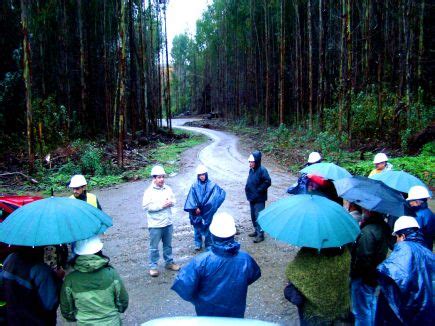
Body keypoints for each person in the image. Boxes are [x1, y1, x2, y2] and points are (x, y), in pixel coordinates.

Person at [171, 212, 261, 318]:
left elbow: (184, 286)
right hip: (236, 314)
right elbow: (252, 276)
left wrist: (197, 299)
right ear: (233, 233)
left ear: (212, 233)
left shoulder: (200, 261)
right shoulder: (246, 259)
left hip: (207, 315)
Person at [375, 216, 434, 325]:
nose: (396, 242)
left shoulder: (402, 252)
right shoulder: (428, 253)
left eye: (396, 237)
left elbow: (390, 279)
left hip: (405, 317)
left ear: (402, 236)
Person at [60, 236, 129, 325]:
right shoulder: (111, 273)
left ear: (77, 253)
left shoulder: (70, 279)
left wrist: (79, 317)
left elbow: (67, 310)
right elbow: (122, 301)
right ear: (99, 251)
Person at [284, 247, 352, 325]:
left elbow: (293, 276)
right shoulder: (344, 256)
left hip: (312, 316)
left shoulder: (305, 260)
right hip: (338, 310)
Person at [350, 209, 392, 326]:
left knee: (361, 310)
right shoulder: (382, 226)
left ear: (369, 211)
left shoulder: (368, 232)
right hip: (373, 275)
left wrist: (355, 273)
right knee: (370, 304)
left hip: (363, 277)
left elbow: (363, 258)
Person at [0, 246, 62, 325]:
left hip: (12, 318)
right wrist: (56, 279)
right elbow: (50, 304)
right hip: (36, 321)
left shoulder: (10, 259)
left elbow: (3, 287)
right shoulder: (41, 271)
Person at [142, 165, 180, 277]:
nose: (161, 179)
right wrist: (161, 205)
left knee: (168, 245)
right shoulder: (148, 192)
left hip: (168, 222)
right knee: (154, 247)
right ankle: (153, 267)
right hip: (155, 225)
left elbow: (174, 199)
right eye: (159, 177)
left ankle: (169, 262)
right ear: (154, 178)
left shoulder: (168, 189)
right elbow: (146, 206)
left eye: (163, 177)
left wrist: (171, 202)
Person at [184, 164, 226, 251]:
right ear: (198, 176)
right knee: (196, 226)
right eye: (200, 175)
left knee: (208, 226)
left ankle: (208, 244)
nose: (202, 177)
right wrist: (195, 207)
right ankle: (198, 243)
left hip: (207, 210)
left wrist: (212, 205)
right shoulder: (194, 186)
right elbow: (192, 198)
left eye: (203, 174)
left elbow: (221, 193)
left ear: (206, 174)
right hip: (197, 211)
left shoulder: (212, 185)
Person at [245, 150, 271, 243]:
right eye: (249, 162)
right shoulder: (251, 170)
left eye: (252, 162)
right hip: (252, 197)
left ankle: (261, 235)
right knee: (253, 216)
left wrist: (259, 190)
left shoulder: (262, 170)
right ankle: (256, 231)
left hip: (259, 198)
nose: (250, 163)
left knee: (259, 216)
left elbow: (267, 182)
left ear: (256, 161)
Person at [406, 185, 434, 250]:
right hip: (427, 246)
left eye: (411, 200)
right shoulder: (429, 212)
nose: (410, 203)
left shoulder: (418, 215)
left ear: (418, 201)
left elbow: (415, 235)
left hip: (420, 247)